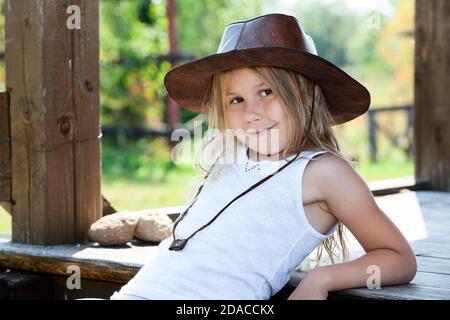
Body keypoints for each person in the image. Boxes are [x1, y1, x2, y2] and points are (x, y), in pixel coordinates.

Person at [108, 13, 417, 300]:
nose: (252, 113)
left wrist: (321, 279)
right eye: (236, 99)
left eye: (266, 92)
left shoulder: (321, 172)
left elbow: (398, 257)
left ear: (308, 96)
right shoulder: (230, 158)